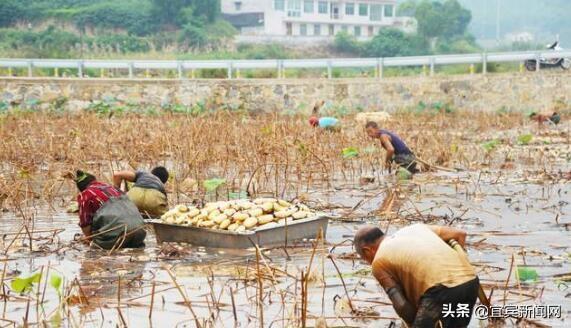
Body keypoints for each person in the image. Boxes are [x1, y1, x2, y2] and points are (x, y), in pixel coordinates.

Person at [354, 224, 480, 328]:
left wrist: (414, 323)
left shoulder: (379, 261)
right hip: (470, 283)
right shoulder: (417, 228)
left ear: (367, 250)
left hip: (440, 290)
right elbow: (460, 234)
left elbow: (402, 306)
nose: (368, 262)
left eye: (365, 259)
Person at [76, 170, 146, 250]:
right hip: (139, 233)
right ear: (94, 180)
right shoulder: (113, 188)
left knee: (93, 250)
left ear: (80, 188)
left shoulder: (85, 194)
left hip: (117, 236)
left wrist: (90, 240)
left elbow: (85, 226)